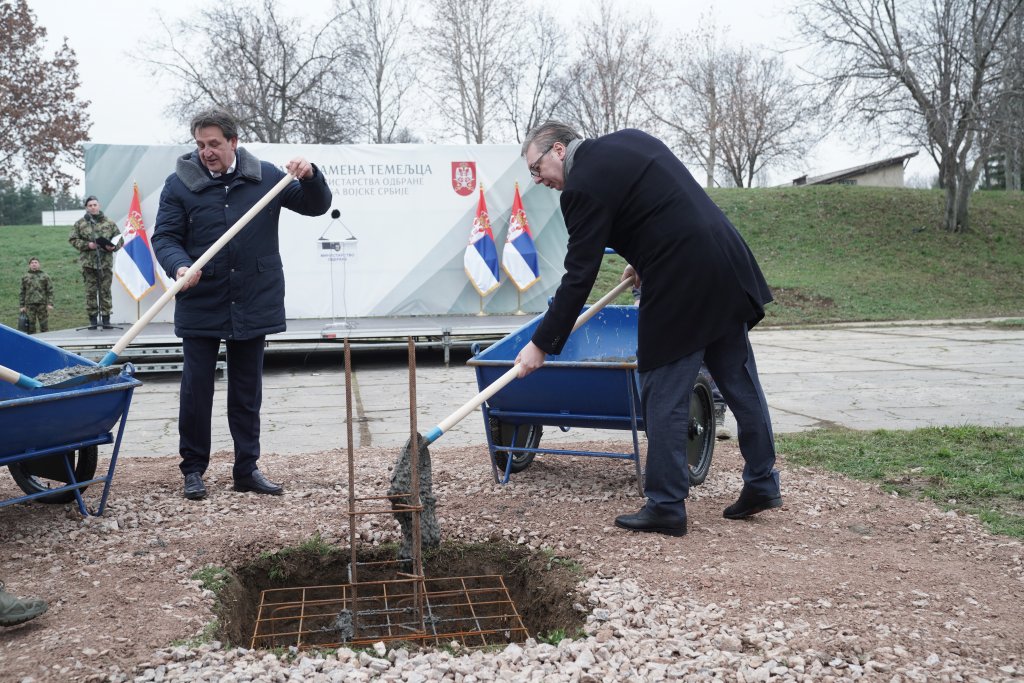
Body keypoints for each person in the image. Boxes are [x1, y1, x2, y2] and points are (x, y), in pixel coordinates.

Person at [516, 121, 780, 537]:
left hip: (680, 280)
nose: (537, 179)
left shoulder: (580, 188)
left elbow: (579, 274)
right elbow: (661, 203)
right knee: (738, 379)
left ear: (560, 150)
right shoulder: (630, 140)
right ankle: (763, 481)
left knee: (662, 389)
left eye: (537, 167)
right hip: (723, 259)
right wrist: (641, 256)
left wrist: (541, 344)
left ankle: (666, 504)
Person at [152, 108, 332, 501]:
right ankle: (193, 470)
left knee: (247, 391)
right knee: (196, 392)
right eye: (200, 144)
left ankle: (246, 469)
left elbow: (315, 205)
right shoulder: (180, 184)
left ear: (233, 142)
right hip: (201, 299)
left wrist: (310, 176)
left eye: (214, 144)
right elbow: (164, 237)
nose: (206, 152)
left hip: (253, 298)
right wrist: (179, 265)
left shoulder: (265, 176)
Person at [69, 195, 121, 329]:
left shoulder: (109, 223)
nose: (93, 207)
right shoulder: (80, 223)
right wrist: (88, 245)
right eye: (90, 205)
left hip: (105, 263)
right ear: (86, 208)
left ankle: (106, 319)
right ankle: (92, 320)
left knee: (105, 291)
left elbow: (119, 239)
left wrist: (113, 247)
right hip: (88, 264)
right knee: (90, 292)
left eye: (95, 205)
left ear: (99, 206)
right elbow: (73, 239)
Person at [19, 257, 54, 334]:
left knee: (44, 326)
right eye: (32, 263)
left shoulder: (45, 276)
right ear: (29, 265)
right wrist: (22, 306)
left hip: (42, 304)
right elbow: (22, 292)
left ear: (39, 264)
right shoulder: (25, 277)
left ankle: (45, 340)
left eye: (35, 262)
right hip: (29, 304)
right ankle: (31, 341)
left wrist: (50, 303)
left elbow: (50, 291)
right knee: (30, 327)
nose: (34, 264)